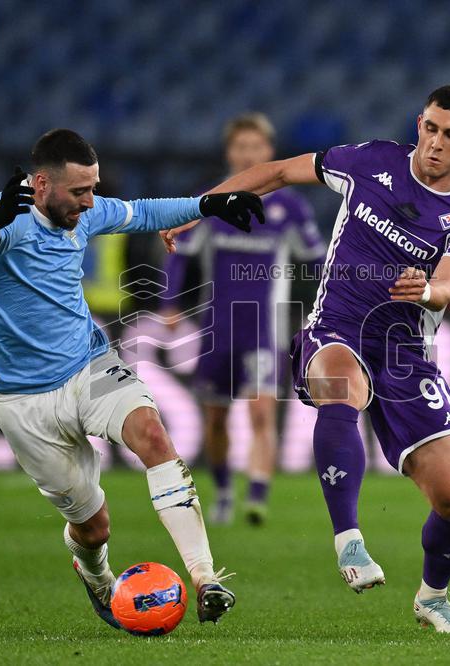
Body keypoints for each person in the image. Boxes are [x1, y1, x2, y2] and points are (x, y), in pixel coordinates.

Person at [163, 85, 450, 634]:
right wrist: (196, 209)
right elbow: (273, 173)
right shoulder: (370, 163)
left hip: (404, 352)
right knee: (341, 388)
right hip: (335, 329)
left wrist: (427, 292)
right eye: (431, 128)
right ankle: (349, 542)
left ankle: (432, 597)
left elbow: (448, 283)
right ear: (419, 122)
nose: (435, 143)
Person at [0, 129, 264, 629]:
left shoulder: (86, 213)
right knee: (93, 527)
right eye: (79, 191)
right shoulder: (5, 221)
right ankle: (97, 578)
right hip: (21, 399)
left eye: (93, 188)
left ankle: (205, 579)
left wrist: (210, 204)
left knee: (153, 435)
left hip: (87, 365)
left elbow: (144, 210)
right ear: (41, 184)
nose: (89, 201)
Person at [160, 113, 326, 526]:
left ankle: (256, 494)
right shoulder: (209, 202)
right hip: (217, 327)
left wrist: (323, 308)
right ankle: (221, 492)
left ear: (268, 152)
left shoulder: (289, 206)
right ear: (230, 152)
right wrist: (170, 303)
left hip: (264, 330)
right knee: (215, 418)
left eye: (256, 147)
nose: (248, 154)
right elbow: (180, 250)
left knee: (261, 413)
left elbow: (317, 260)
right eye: (241, 147)